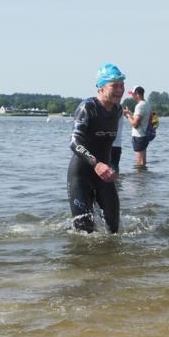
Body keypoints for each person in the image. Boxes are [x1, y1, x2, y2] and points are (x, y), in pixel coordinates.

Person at [68, 64, 125, 233]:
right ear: (101, 87)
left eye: (122, 85)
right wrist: (97, 164)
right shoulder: (88, 108)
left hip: (104, 176)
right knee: (85, 231)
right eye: (114, 85)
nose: (120, 90)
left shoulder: (118, 110)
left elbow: (116, 144)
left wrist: (113, 167)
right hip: (81, 174)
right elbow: (74, 142)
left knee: (114, 229)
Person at [125, 86, 153, 167]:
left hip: (139, 136)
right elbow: (144, 119)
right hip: (145, 135)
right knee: (143, 162)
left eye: (133, 94)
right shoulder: (147, 104)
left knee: (139, 163)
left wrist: (127, 115)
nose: (132, 96)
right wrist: (130, 113)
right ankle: (143, 178)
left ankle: (139, 178)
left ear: (137, 94)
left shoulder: (139, 106)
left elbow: (135, 124)